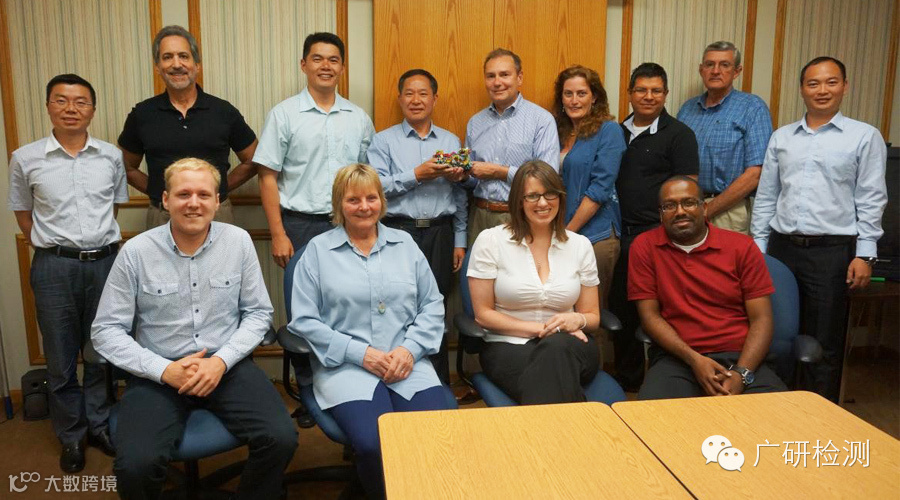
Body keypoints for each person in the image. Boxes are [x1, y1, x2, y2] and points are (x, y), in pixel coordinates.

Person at [91, 158, 297, 499]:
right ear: (166, 200)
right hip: (158, 371)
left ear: (217, 201)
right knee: (136, 465)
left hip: (225, 366)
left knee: (281, 438)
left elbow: (259, 313)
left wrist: (220, 362)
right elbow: (106, 331)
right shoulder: (136, 252)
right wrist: (164, 370)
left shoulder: (238, 242)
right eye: (183, 194)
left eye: (203, 194)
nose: (193, 203)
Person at [289, 163, 453, 500]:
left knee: (436, 437)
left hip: (406, 363)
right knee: (373, 445)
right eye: (353, 200)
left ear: (382, 200)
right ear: (339, 204)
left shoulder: (405, 245)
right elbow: (304, 321)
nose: (364, 207)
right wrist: (360, 353)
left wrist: (409, 349)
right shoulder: (317, 252)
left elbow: (433, 304)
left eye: (371, 198)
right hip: (346, 367)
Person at [7, 74, 126, 473]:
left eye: (80, 102)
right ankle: (72, 434)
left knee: (101, 351)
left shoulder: (110, 156)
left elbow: (113, 208)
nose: (71, 109)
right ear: (48, 106)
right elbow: (24, 214)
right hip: (54, 266)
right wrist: (56, 248)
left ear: (92, 109)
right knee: (60, 357)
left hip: (105, 264)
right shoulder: (25, 158)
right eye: (61, 100)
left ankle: (99, 424)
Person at [751, 56, 887, 402]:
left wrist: (865, 254)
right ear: (802, 89)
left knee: (823, 342)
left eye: (831, 82)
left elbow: (871, 197)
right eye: (813, 83)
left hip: (832, 252)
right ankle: (774, 405)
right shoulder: (782, 137)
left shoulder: (864, 136)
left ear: (845, 86)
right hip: (781, 249)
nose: (822, 90)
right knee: (775, 334)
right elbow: (766, 196)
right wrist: (759, 250)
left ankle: (818, 414)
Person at [630, 176, 786, 399]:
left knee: (780, 413)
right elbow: (649, 317)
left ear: (704, 208)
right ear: (661, 214)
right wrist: (694, 360)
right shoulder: (644, 247)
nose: (680, 211)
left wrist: (741, 374)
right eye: (669, 206)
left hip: (740, 356)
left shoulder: (741, 247)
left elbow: (762, 319)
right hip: (678, 358)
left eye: (689, 202)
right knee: (653, 415)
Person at [468, 160, 602, 404]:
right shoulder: (491, 241)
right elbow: (483, 315)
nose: (543, 203)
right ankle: (580, 423)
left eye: (550, 194)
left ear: (560, 197)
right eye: (532, 196)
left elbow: (592, 316)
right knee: (550, 367)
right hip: (508, 346)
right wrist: (543, 329)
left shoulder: (580, 245)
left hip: (570, 344)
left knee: (556, 349)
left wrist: (577, 320)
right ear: (519, 201)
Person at [368, 69, 467, 384]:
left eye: (423, 93)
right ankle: (398, 376)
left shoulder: (450, 140)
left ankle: (438, 382)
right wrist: (417, 175)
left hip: (440, 232)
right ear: (399, 99)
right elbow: (375, 188)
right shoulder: (383, 141)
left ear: (434, 99)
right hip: (397, 230)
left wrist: (460, 239)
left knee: (436, 305)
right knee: (397, 303)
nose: (416, 100)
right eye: (409, 93)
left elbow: (459, 193)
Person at [609, 63, 699, 392]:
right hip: (618, 233)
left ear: (666, 94)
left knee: (661, 309)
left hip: (658, 236)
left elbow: (687, 192)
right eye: (642, 90)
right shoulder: (615, 132)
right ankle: (629, 380)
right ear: (630, 93)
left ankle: (670, 376)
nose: (649, 96)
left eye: (656, 91)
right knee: (621, 307)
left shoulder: (680, 135)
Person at [254, 32, 375, 268]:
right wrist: (278, 234)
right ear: (304, 65)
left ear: (342, 68)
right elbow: (267, 177)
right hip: (299, 225)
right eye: (317, 59)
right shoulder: (283, 115)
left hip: (349, 222)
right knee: (301, 288)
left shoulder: (358, 118)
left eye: (333, 60)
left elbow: (367, 176)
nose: (326, 66)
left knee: (349, 288)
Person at [119, 25, 258, 228]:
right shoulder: (142, 114)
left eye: (183, 56)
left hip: (216, 214)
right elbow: (125, 166)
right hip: (163, 216)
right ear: (158, 67)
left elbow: (254, 160)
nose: (176, 64)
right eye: (167, 57)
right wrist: (157, 190)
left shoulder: (223, 111)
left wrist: (219, 187)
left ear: (197, 65)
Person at [465, 48, 559, 244]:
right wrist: (462, 176)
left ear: (519, 77)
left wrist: (499, 171)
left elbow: (546, 178)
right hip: (479, 215)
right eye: (491, 76)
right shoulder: (475, 122)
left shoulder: (541, 120)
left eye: (504, 74)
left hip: (520, 216)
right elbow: (472, 178)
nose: (497, 82)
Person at [677, 41, 772, 235]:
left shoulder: (752, 108)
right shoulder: (687, 110)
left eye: (724, 65)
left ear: (736, 71)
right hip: (687, 208)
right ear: (701, 70)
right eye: (709, 64)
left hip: (730, 211)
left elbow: (756, 173)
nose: (715, 71)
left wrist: (708, 210)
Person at [552, 65, 626, 304]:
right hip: (559, 232)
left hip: (596, 236)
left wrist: (567, 234)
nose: (574, 100)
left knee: (591, 310)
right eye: (568, 94)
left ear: (594, 97)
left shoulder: (609, 131)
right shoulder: (558, 132)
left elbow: (599, 190)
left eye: (581, 93)